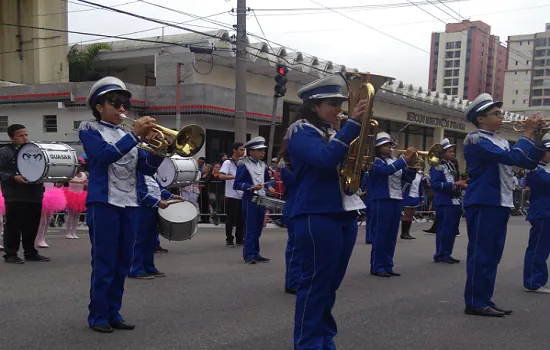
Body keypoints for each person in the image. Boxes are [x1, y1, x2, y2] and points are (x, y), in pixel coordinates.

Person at [285, 74, 366, 349]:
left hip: (343, 211)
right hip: (316, 213)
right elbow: (323, 159)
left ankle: (324, 338)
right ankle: (308, 344)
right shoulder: (300, 130)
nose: (339, 109)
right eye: (333, 104)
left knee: (330, 285)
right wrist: (353, 125)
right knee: (316, 285)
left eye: (340, 104)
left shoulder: (332, 132)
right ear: (314, 106)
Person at [79, 76, 164, 332]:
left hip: (130, 203)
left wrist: (160, 151)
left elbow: (146, 169)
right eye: (115, 104)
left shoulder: (128, 134)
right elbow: (103, 156)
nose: (122, 110)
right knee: (104, 261)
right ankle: (98, 316)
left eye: (124, 105)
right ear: (99, 106)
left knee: (123, 262)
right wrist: (135, 137)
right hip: (104, 203)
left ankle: (114, 312)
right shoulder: (89, 128)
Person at [462, 93, 545, 317]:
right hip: (484, 201)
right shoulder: (476, 139)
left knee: (493, 254)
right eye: (496, 114)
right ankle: (475, 301)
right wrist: (527, 132)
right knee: (482, 253)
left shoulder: (499, 140)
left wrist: (538, 137)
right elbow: (514, 159)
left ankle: (484, 298)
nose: (502, 117)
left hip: (500, 202)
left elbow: (527, 162)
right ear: (480, 119)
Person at [368, 132, 416, 278]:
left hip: (396, 199)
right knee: (381, 234)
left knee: (391, 235)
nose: (389, 148)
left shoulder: (395, 160)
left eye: (390, 145)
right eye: (385, 146)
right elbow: (385, 171)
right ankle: (377, 266)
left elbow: (408, 177)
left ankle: (388, 265)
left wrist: (412, 166)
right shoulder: (375, 161)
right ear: (377, 148)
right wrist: (404, 159)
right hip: (382, 199)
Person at [0, 124, 50, 263]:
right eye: (21, 136)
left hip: (34, 193)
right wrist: (12, 177)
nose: (25, 138)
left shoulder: (35, 150)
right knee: (13, 225)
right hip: (14, 195)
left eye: (26, 135)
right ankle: (10, 254)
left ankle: (30, 252)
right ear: (11, 138)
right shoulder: (5, 152)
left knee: (32, 225)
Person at [130, 173, 183, 279]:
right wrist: (157, 202)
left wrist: (171, 196)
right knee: (139, 239)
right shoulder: (136, 173)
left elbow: (159, 188)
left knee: (151, 240)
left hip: (153, 208)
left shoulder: (152, 174)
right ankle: (135, 269)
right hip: (142, 208)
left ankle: (149, 267)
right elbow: (140, 193)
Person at [234, 137, 275, 264]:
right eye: (259, 150)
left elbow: (267, 180)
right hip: (249, 199)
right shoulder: (243, 164)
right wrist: (250, 187)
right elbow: (237, 184)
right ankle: (248, 255)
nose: (262, 153)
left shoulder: (263, 165)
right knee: (250, 228)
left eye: (263, 150)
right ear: (251, 151)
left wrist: (270, 187)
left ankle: (256, 253)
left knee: (258, 228)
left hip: (262, 198)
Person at [430, 139, 466, 264]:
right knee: (444, 229)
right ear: (443, 152)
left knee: (452, 229)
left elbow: (453, 180)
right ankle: (440, 254)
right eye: (450, 151)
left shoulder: (450, 164)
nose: (453, 154)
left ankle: (447, 253)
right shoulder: (437, 166)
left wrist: (461, 185)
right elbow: (434, 184)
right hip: (444, 201)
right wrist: (454, 184)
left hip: (454, 200)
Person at [523, 133, 550, 294]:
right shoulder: (535, 169)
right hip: (542, 213)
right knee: (537, 249)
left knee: (543, 248)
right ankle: (533, 281)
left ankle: (537, 279)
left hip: (546, 213)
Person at [277, 154, 299, 294]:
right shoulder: (287, 169)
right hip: (294, 209)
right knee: (296, 246)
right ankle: (293, 281)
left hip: (301, 207)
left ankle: (299, 278)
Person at [219, 142, 245, 247]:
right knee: (231, 218)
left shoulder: (243, 163)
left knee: (241, 218)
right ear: (234, 150)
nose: (243, 152)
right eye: (241, 150)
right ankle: (229, 239)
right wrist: (234, 177)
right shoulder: (228, 163)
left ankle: (240, 238)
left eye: (244, 150)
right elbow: (220, 176)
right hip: (232, 194)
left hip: (242, 194)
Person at [35, 182, 67, 248]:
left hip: (52, 195)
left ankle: (43, 238)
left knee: (48, 218)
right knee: (43, 219)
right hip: (43, 194)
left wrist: (62, 181)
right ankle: (39, 239)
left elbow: (57, 185)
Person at [400, 159, 425, 240]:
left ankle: (408, 232)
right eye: (417, 165)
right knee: (407, 214)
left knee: (412, 214)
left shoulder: (420, 175)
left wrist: (422, 198)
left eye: (419, 165)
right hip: (408, 195)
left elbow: (420, 187)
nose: (418, 167)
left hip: (416, 195)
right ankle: (403, 233)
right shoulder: (409, 173)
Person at [63, 158, 88, 239]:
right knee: (70, 214)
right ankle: (68, 232)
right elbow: (70, 180)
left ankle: (73, 232)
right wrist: (81, 182)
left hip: (80, 195)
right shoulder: (71, 173)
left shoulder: (84, 174)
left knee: (77, 215)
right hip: (71, 195)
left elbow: (85, 184)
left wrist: (86, 185)